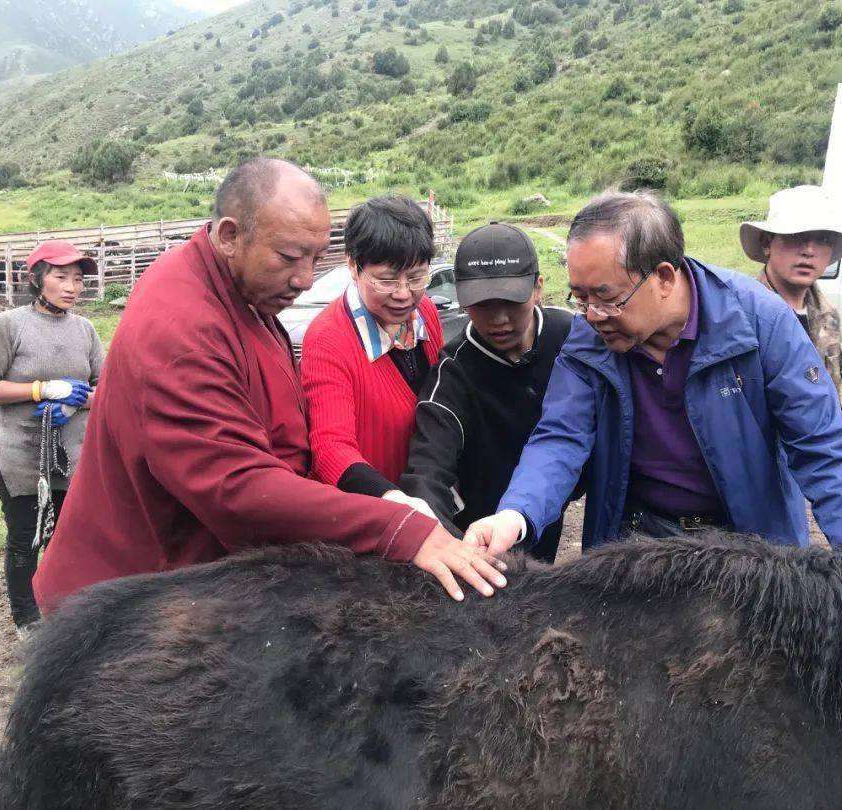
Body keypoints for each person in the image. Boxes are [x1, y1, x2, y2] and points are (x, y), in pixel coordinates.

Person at [32, 158, 507, 613]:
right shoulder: (183, 328)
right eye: (289, 258)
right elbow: (236, 488)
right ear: (230, 236)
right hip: (133, 599)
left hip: (200, 577)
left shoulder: (244, 292)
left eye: (317, 259)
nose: (304, 280)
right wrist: (398, 526)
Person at [464, 190, 842, 586]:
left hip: (748, 546)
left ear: (663, 277)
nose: (593, 314)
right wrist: (515, 515)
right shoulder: (589, 339)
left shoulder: (759, 324)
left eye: (606, 296)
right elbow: (560, 436)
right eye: (580, 298)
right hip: (636, 542)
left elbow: (825, 454)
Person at [399, 223, 573, 563]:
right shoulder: (453, 373)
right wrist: (441, 541)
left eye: (511, 301)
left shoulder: (570, 338)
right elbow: (427, 469)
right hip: (477, 535)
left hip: (544, 511)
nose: (499, 319)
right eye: (483, 304)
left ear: (538, 288)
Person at [0, 241, 104, 637]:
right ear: (36, 279)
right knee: (25, 540)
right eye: (60, 277)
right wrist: (41, 390)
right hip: (24, 456)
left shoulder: (84, 329)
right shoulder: (10, 325)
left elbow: (108, 387)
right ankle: (26, 619)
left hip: (74, 458)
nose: (71, 287)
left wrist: (77, 403)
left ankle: (63, 610)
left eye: (78, 279)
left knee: (67, 539)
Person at [300, 197, 443, 513]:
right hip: (363, 513)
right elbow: (331, 448)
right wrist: (394, 500)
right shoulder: (328, 339)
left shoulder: (427, 315)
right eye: (387, 280)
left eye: (417, 277)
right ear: (353, 265)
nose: (404, 294)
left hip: (424, 496)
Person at [740, 185, 842, 392]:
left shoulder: (828, 315)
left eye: (822, 239)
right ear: (767, 242)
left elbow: (832, 395)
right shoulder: (742, 315)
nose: (809, 250)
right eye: (796, 235)